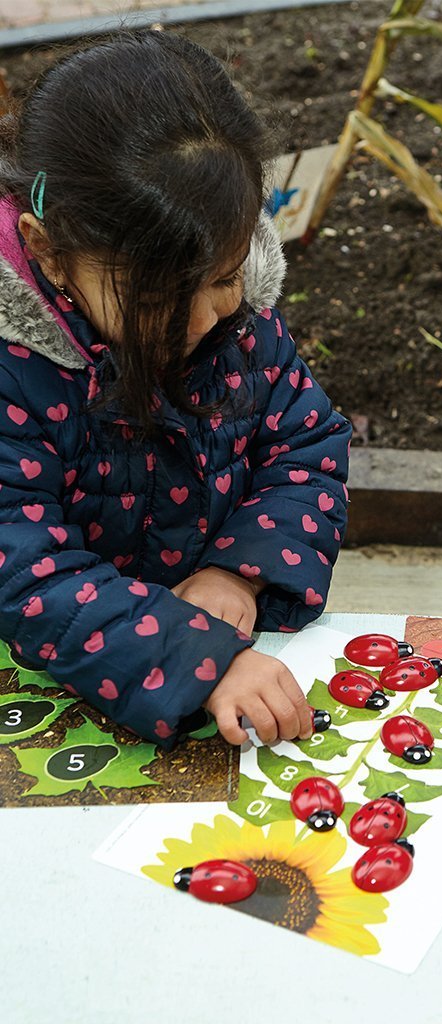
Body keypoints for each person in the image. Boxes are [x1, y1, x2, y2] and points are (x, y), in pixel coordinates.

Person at [0, 31, 352, 748]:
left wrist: (237, 572)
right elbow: (27, 579)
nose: (202, 320)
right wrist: (195, 656)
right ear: (46, 248)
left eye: (223, 277)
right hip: (45, 677)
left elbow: (306, 446)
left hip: (212, 658)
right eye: (159, 295)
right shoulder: (13, 371)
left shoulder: (242, 324)